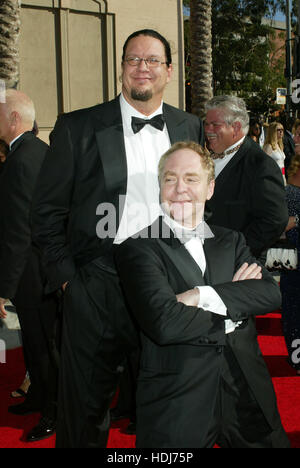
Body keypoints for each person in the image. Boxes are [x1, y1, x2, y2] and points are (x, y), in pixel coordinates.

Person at [31, 29, 204, 448]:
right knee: (84, 408)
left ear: (168, 70)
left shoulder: (188, 125)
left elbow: (199, 200)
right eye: (133, 59)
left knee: (166, 403)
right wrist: (69, 281)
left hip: (167, 283)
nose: (141, 68)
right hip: (97, 281)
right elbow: (45, 213)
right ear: (121, 68)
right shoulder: (78, 127)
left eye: (151, 60)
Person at [114, 141, 290, 448]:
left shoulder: (232, 240)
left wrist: (198, 295)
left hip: (247, 390)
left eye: (191, 179)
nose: (180, 188)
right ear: (160, 188)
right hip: (178, 399)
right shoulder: (138, 248)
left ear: (210, 188)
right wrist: (235, 310)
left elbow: (268, 294)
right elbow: (164, 322)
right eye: (170, 179)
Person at [0, 89, 59, 442]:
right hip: (36, 271)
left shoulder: (23, 160)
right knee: (36, 344)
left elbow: (19, 232)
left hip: (33, 275)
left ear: (14, 118)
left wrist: (3, 289)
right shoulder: (31, 151)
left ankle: (53, 412)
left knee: (44, 346)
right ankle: (38, 397)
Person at [204, 96, 288, 261]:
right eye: (206, 124)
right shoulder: (206, 158)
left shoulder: (260, 165)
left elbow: (275, 219)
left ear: (235, 128)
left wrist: (238, 250)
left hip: (237, 268)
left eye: (214, 124)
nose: (208, 130)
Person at [280, 120, 300, 375]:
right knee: (290, 302)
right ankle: (295, 358)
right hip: (285, 248)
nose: (296, 137)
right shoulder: (290, 166)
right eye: (295, 132)